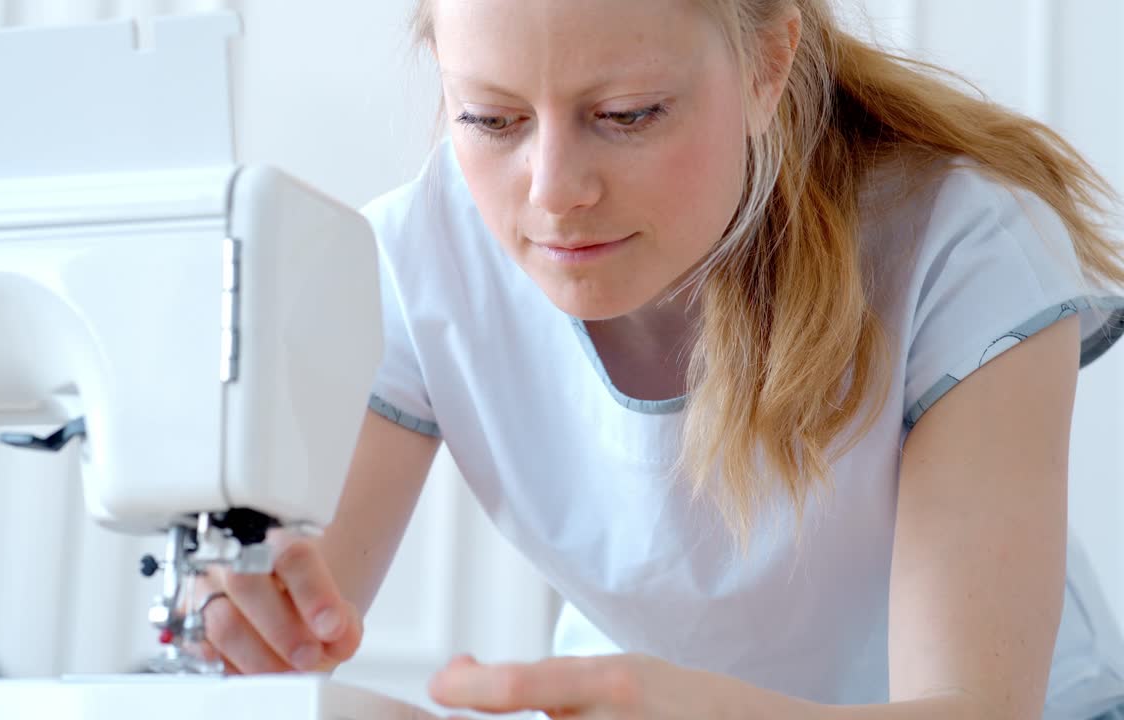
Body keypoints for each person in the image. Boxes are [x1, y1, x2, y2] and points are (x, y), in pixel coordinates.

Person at [199, 1, 1124, 717]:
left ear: (768, 65)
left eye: (628, 115)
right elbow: (291, 615)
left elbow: (974, 711)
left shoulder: (962, 248)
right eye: (489, 120)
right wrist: (251, 616)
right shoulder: (417, 257)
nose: (556, 192)